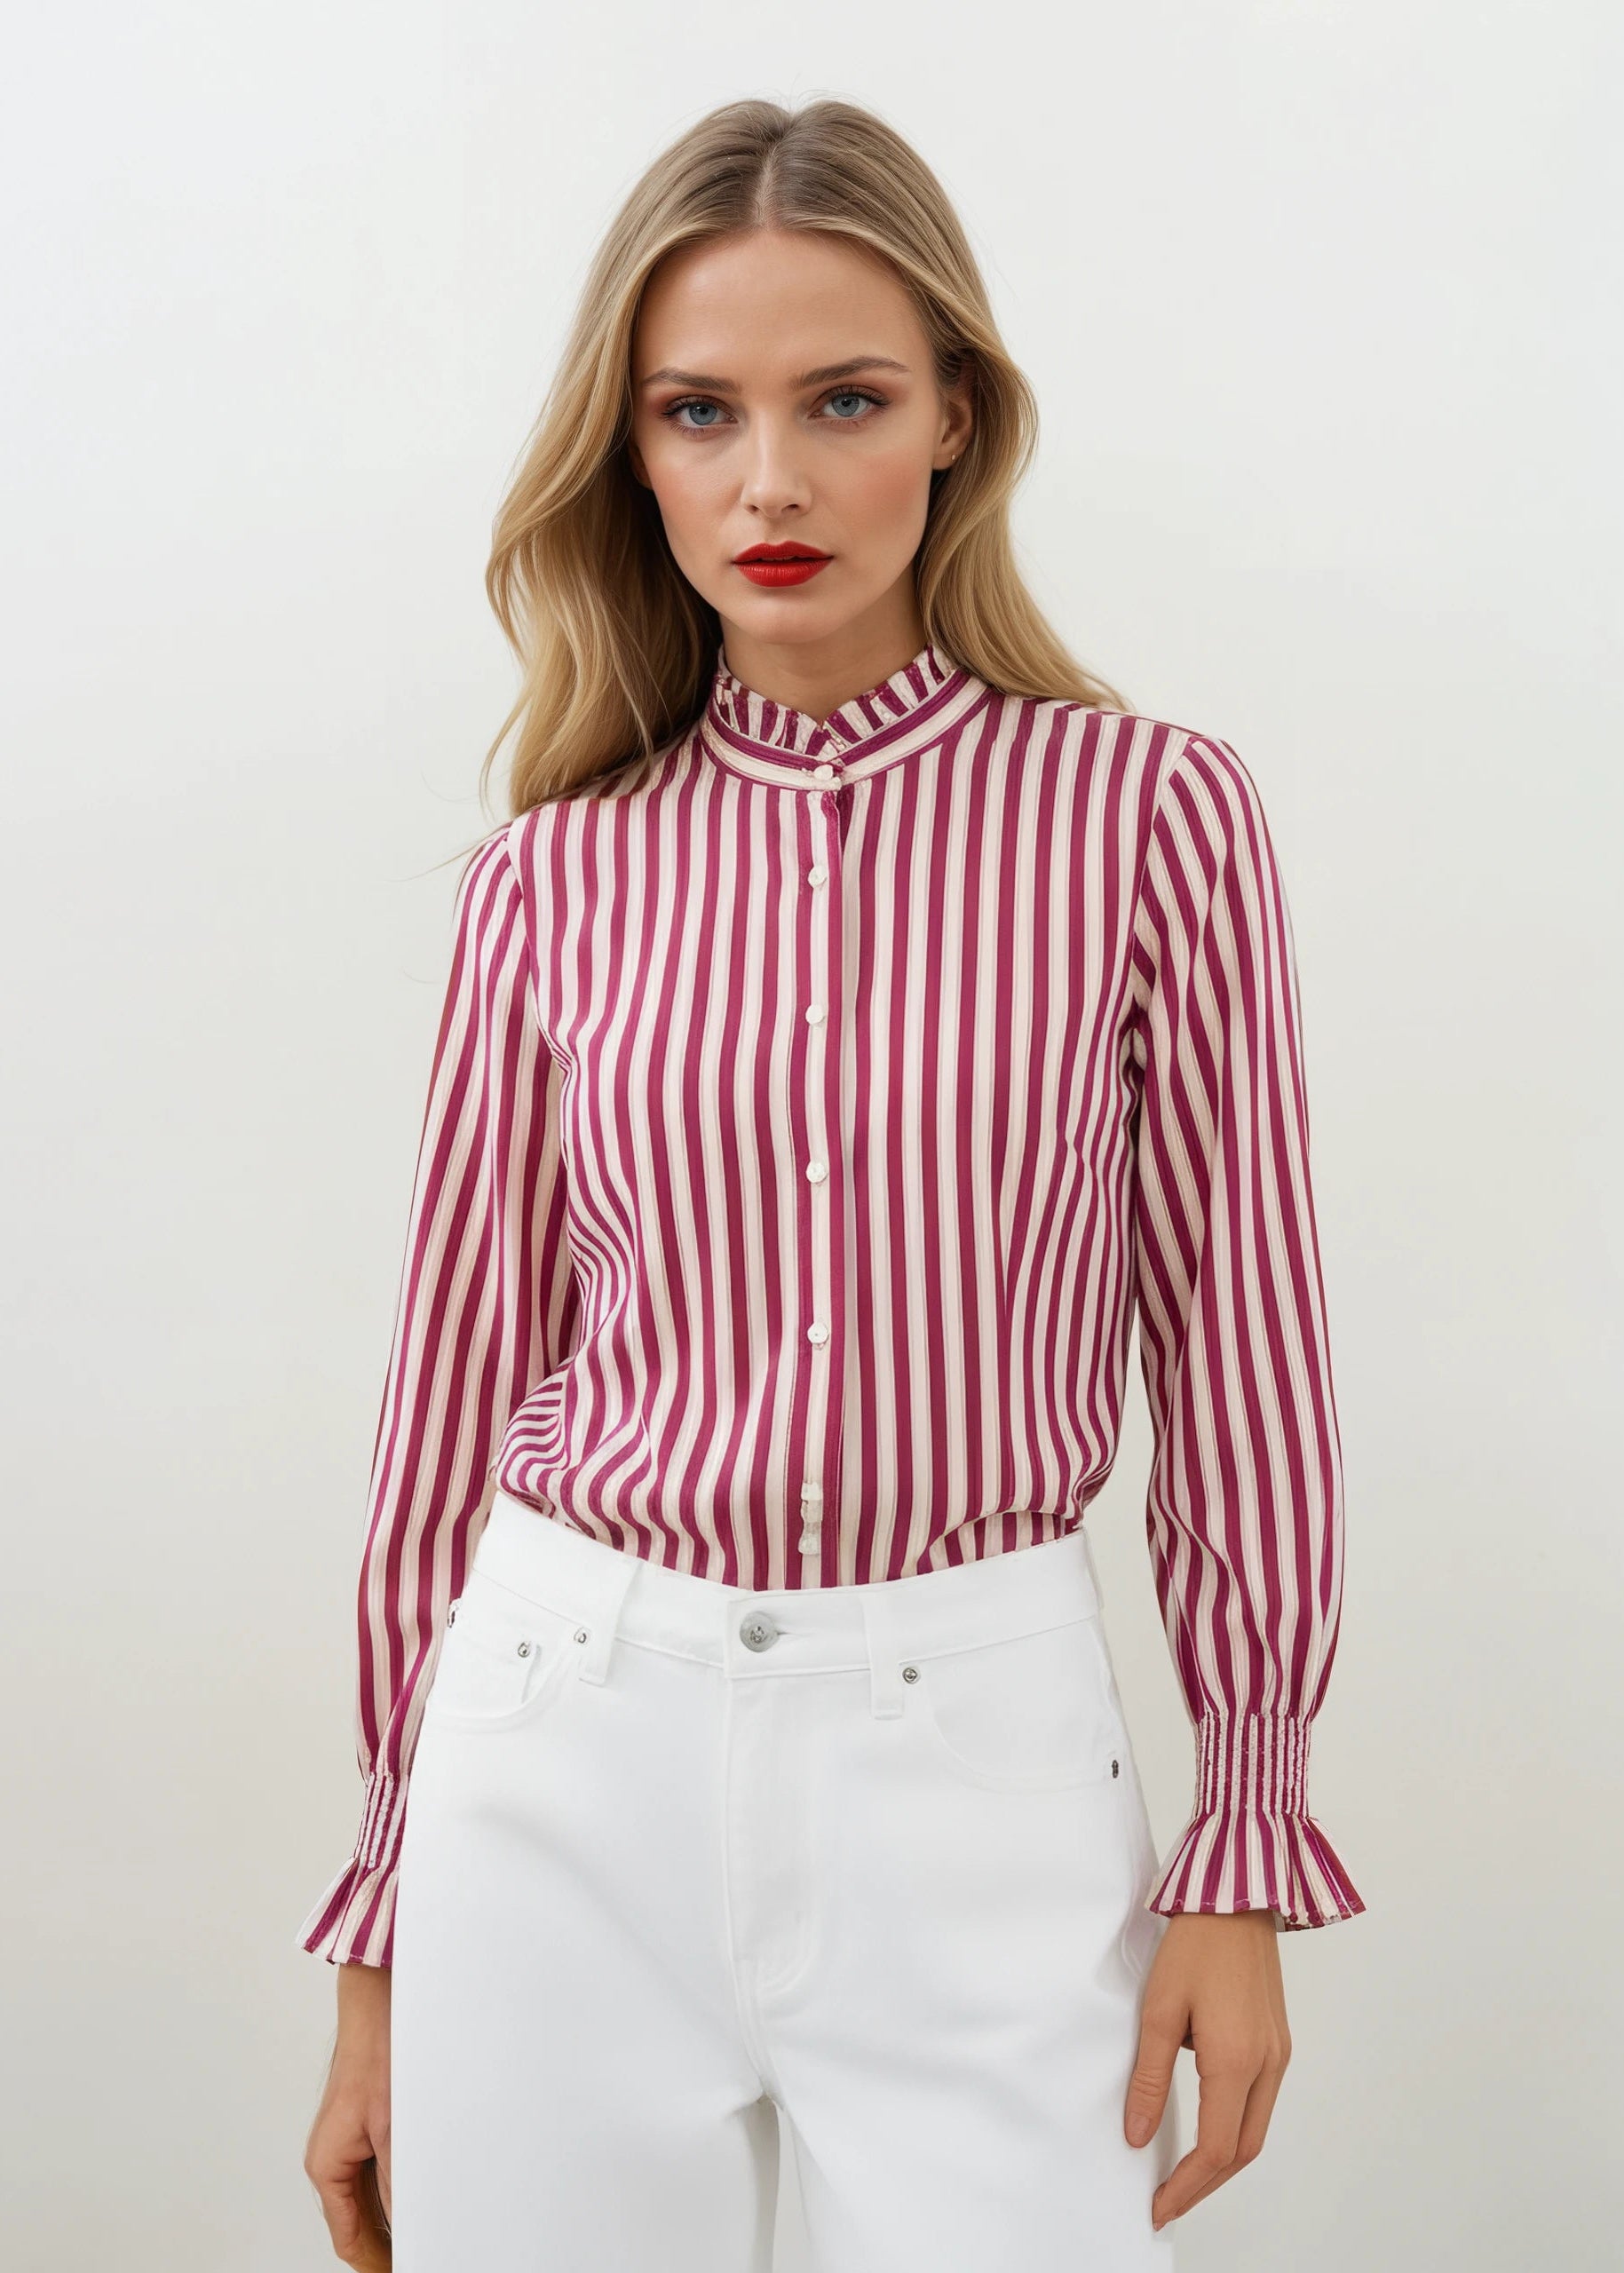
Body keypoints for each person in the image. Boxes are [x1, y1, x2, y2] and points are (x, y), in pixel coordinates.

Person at [297, 93, 1365, 2273]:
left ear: (958, 418)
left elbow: (1243, 1349)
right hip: (561, 1750)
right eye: (700, 412)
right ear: (637, 451)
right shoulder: (554, 878)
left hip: (973, 1756)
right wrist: (385, 1943)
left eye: (843, 400)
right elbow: (441, 1414)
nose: (768, 481)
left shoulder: (1150, 818)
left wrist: (1240, 1846)